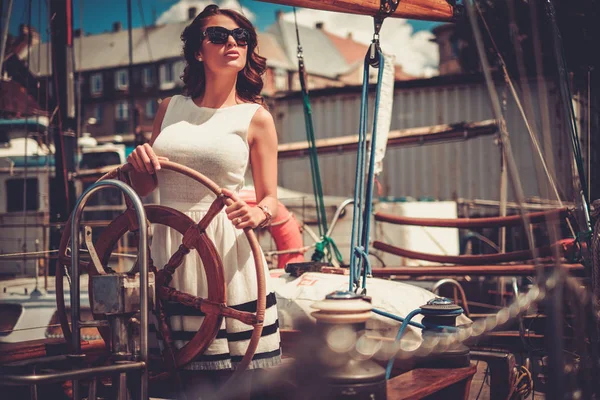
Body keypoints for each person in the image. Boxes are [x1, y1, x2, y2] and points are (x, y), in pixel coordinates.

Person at [127, 4, 281, 396]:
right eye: (218, 36)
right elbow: (146, 189)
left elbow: (271, 200)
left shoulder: (255, 117)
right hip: (170, 252)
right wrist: (138, 163)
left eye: (240, 36)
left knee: (228, 385)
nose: (232, 42)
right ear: (198, 51)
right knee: (173, 382)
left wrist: (256, 211)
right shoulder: (170, 108)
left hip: (226, 256)